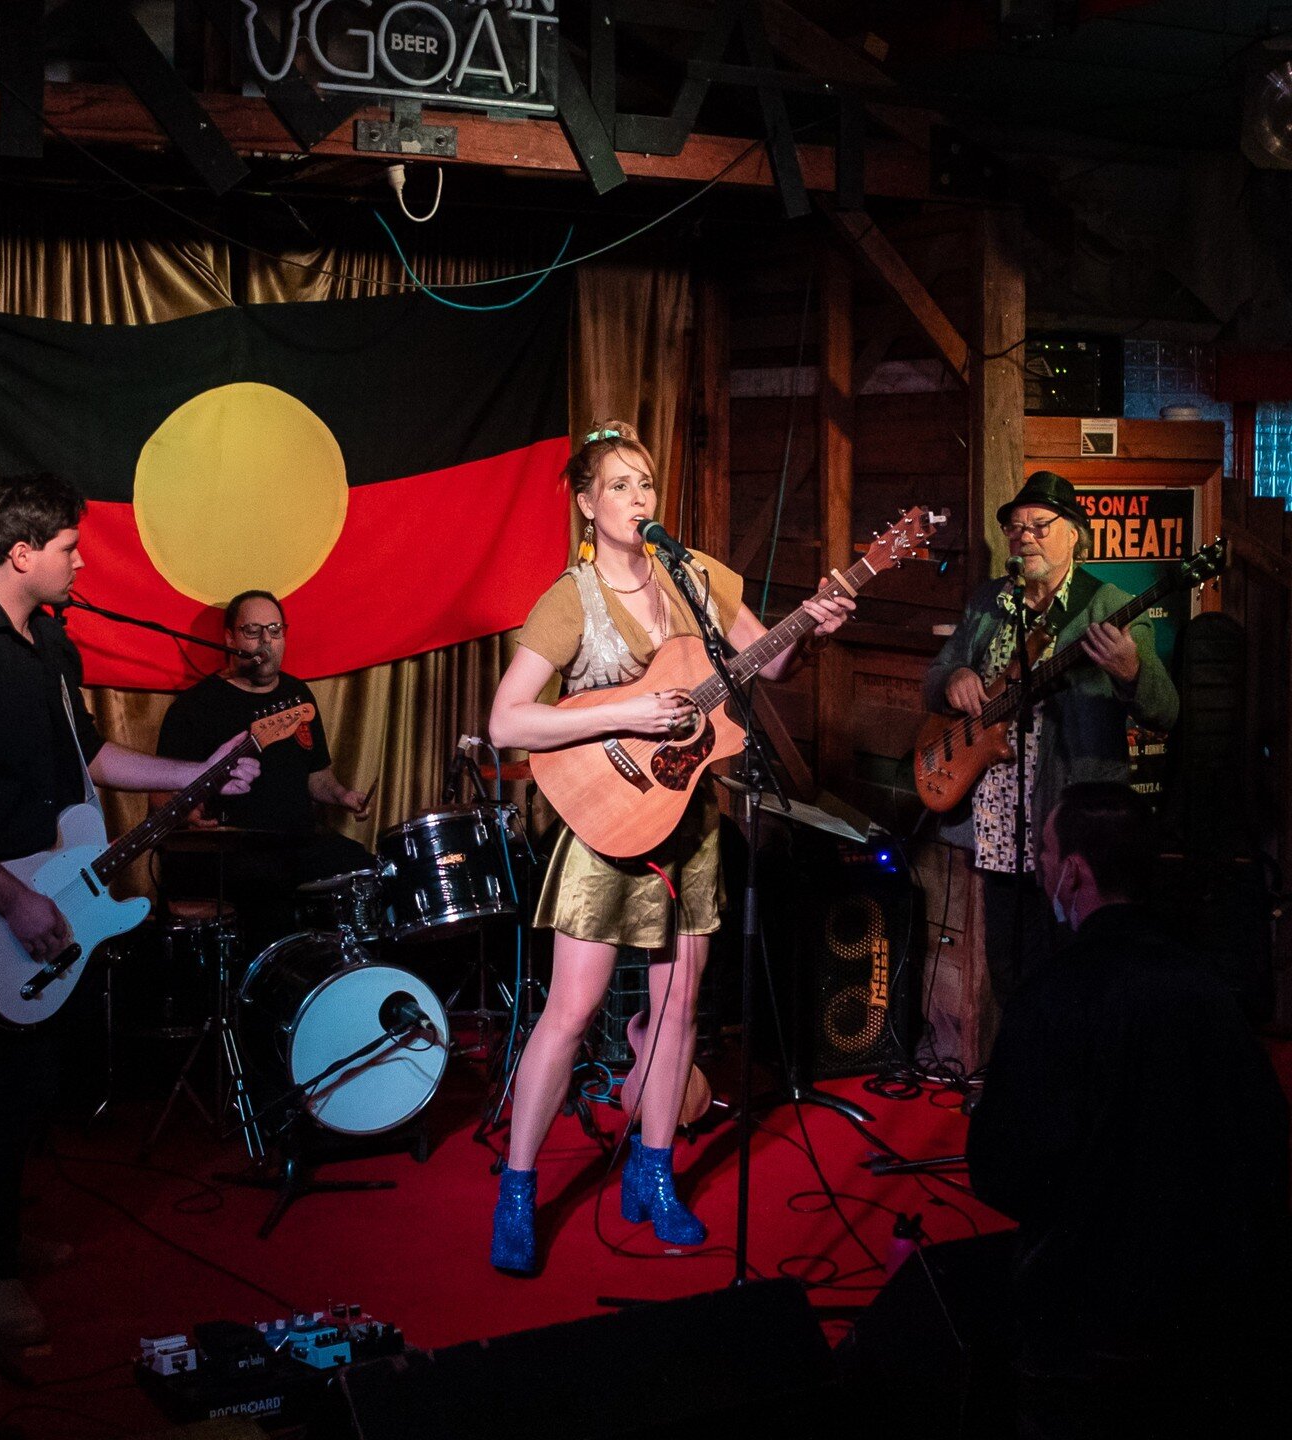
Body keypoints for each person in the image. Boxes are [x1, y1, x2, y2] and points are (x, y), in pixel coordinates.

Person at [0, 473, 260, 1349]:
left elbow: (88, 756)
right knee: (1, 1086)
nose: (80, 560)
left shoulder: (50, 646)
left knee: (35, 1085)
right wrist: (9, 896)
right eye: (66, 547)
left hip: (53, 896)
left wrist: (196, 771)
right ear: (22, 553)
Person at [484, 420, 854, 1273]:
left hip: (691, 819)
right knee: (572, 1011)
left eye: (645, 483)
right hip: (608, 821)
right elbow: (507, 721)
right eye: (618, 485)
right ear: (585, 501)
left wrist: (810, 625)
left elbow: (770, 664)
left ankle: (653, 1175)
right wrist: (624, 711)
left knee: (681, 1008)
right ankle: (517, 1185)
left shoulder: (697, 577)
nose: (637, 498)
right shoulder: (568, 598)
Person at [966, 782, 1289, 1437]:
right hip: (1210, 1328)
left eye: (1048, 853)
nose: (1042, 868)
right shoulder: (1211, 994)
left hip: (1084, 1335)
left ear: (1075, 872)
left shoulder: (1051, 996)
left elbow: (1000, 1168)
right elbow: (1266, 1147)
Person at [922, 470, 1178, 1002]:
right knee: (1007, 962)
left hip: (1069, 818)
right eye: (1016, 529)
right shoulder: (992, 602)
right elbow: (936, 676)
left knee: (1070, 962)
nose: (1026, 537)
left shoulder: (1106, 604)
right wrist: (955, 679)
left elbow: (1165, 711)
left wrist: (1132, 670)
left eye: (1040, 525)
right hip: (994, 822)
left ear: (1074, 535)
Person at [154, 589, 374, 953]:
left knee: (365, 867)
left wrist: (343, 796)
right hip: (234, 856)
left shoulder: (298, 694)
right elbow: (159, 797)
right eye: (253, 631)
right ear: (230, 638)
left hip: (297, 844)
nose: (266, 642)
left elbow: (316, 776)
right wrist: (188, 815)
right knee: (269, 903)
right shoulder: (194, 707)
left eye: (275, 630)